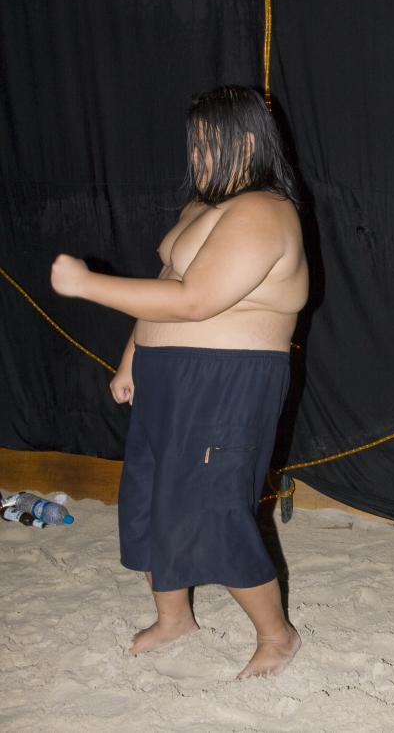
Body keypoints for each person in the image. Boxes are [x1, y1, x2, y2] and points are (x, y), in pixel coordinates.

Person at [50, 84, 309, 678]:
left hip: (227, 380)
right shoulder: (203, 204)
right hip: (167, 373)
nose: (196, 155)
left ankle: (277, 636)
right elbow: (166, 283)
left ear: (247, 143)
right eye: (193, 143)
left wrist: (87, 284)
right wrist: (131, 357)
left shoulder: (265, 211)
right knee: (150, 495)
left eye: (208, 143)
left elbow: (195, 301)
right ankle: (174, 619)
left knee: (211, 506)